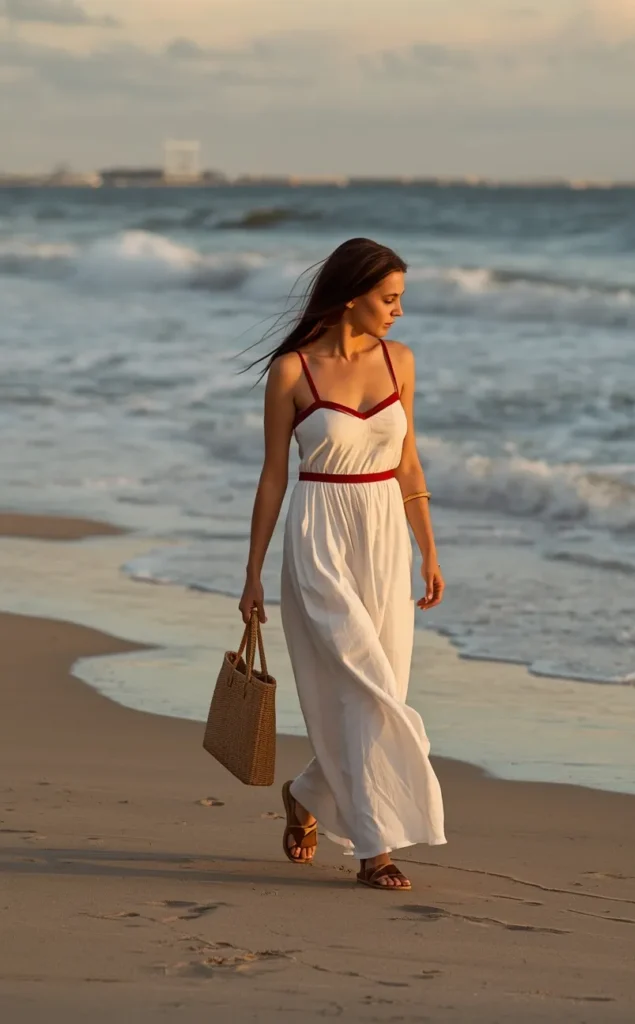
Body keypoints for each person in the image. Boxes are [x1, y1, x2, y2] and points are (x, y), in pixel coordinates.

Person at [239, 237, 446, 891]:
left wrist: (428, 549)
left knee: (384, 687)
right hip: (318, 534)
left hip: (384, 536)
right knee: (363, 686)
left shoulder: (399, 361)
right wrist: (252, 572)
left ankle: (306, 792)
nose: (398, 311)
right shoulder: (292, 371)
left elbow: (408, 463)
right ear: (352, 297)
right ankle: (374, 850)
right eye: (389, 299)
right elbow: (273, 477)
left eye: (400, 299)